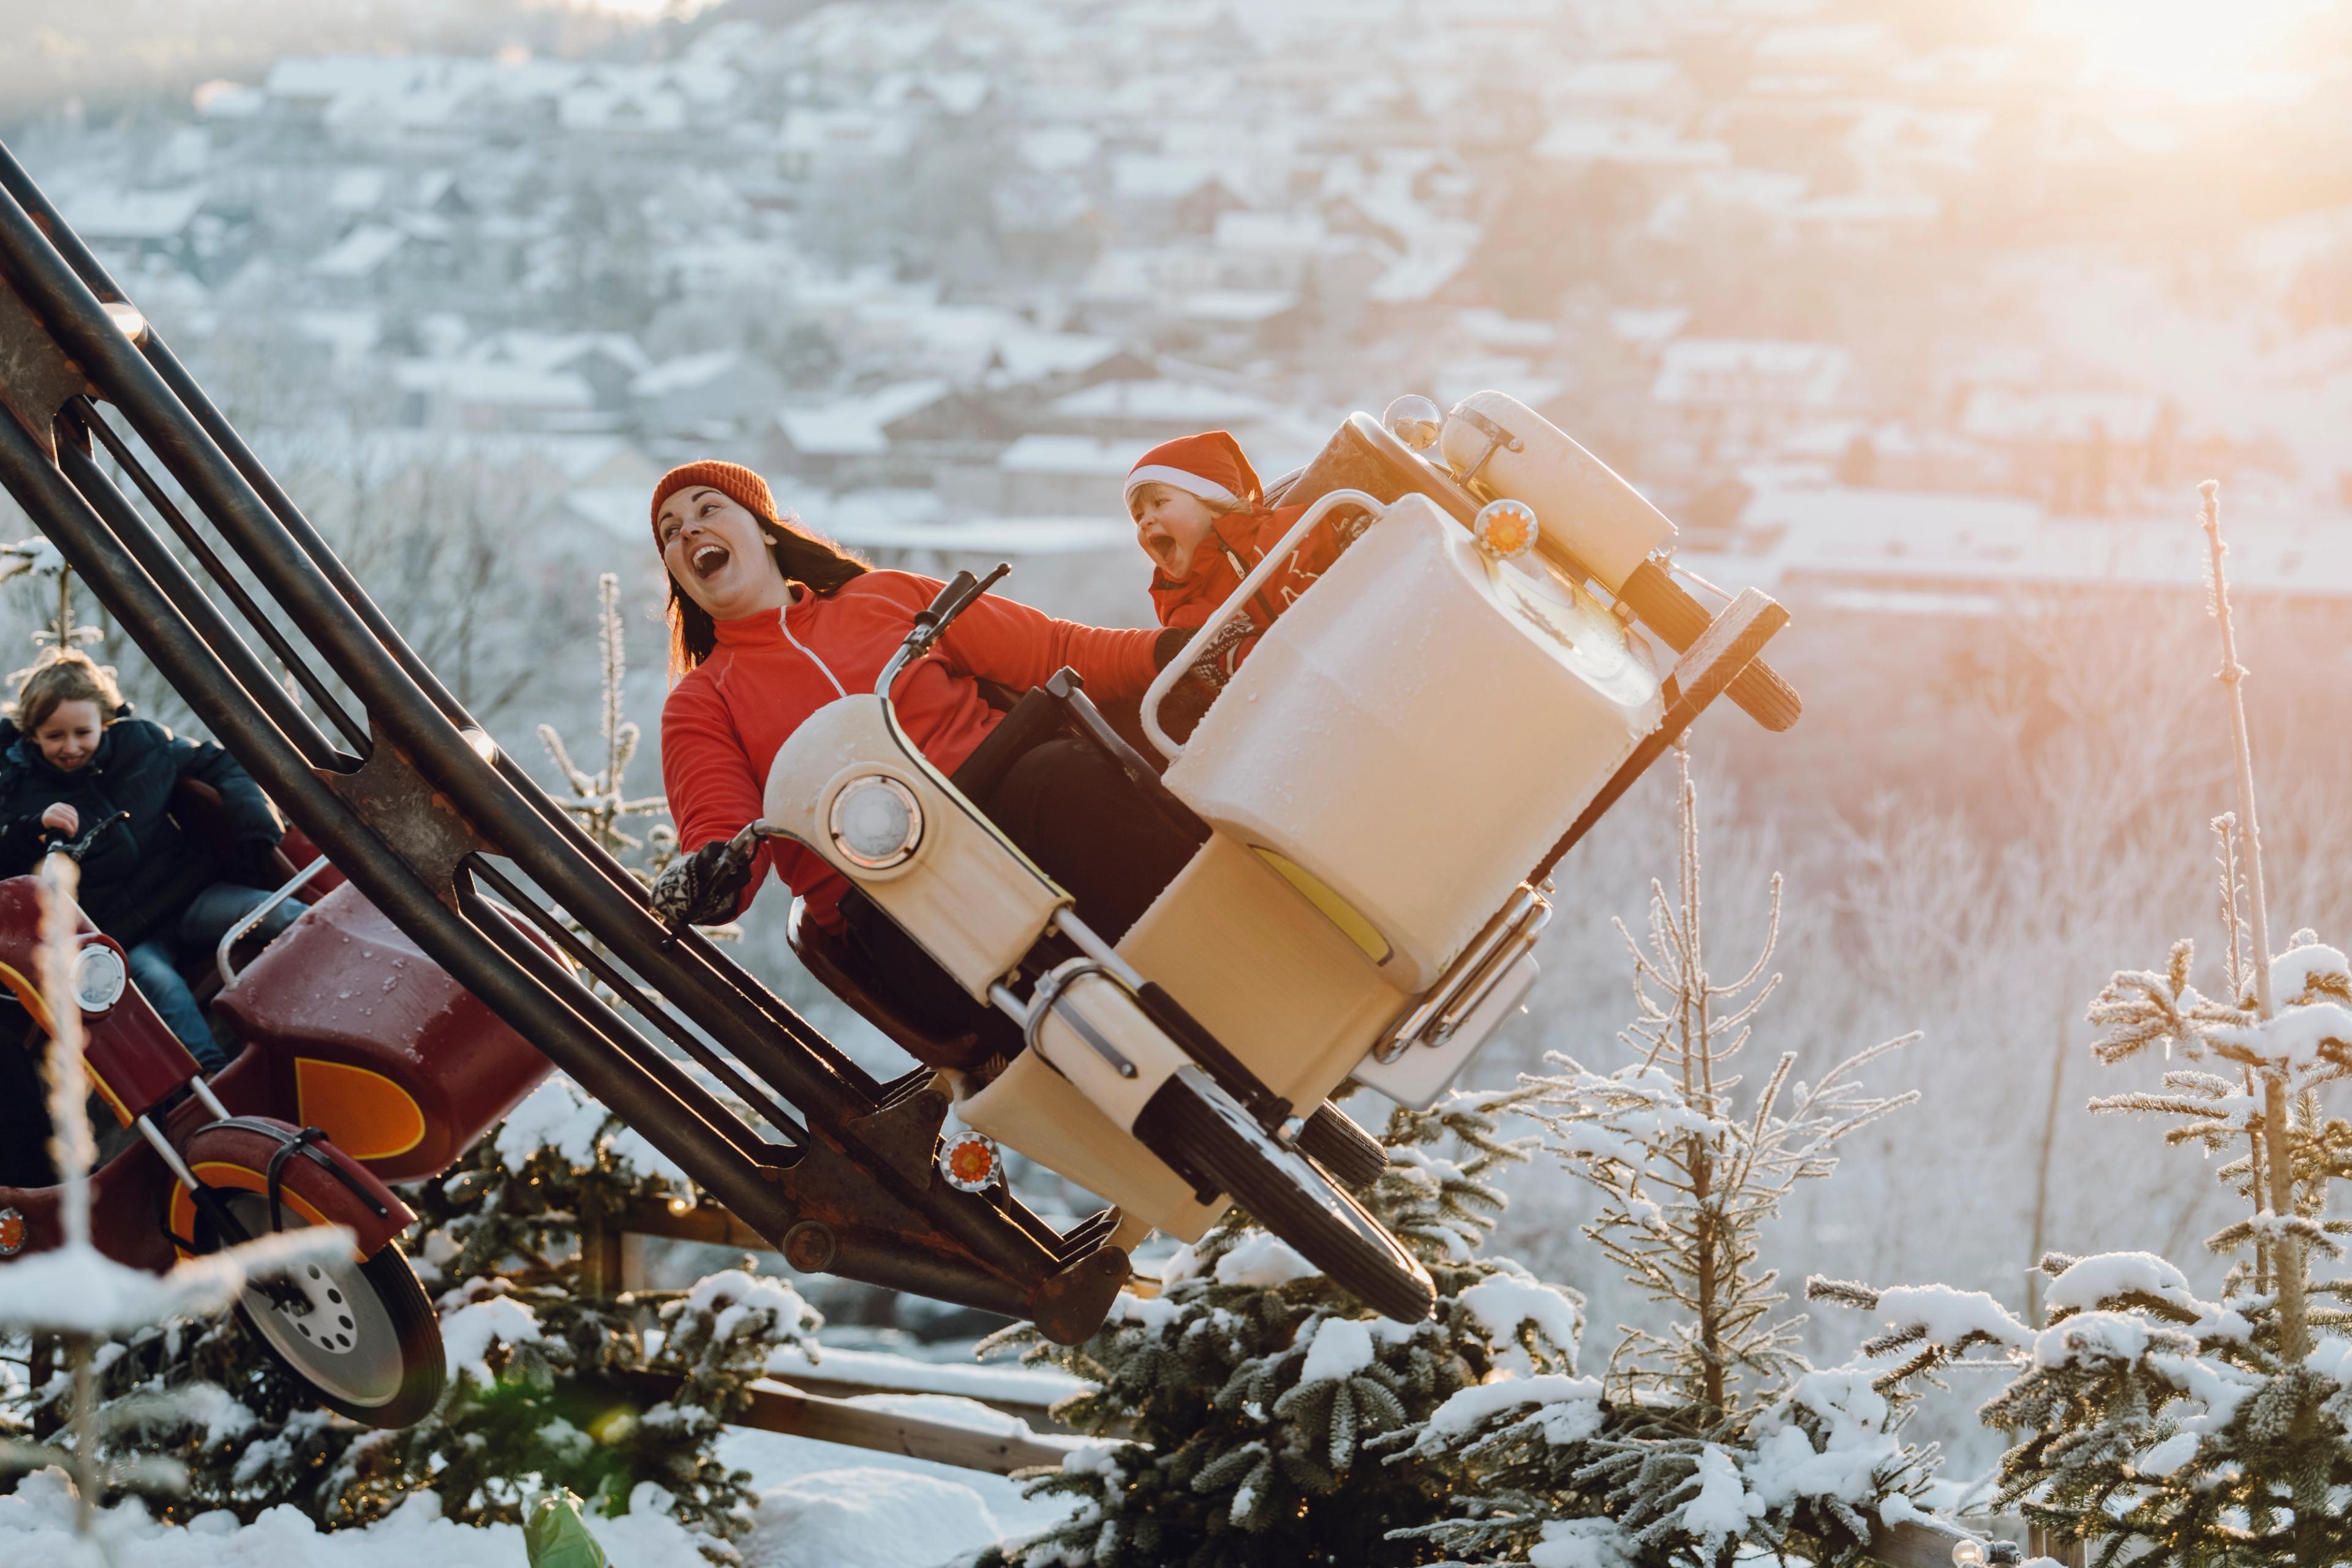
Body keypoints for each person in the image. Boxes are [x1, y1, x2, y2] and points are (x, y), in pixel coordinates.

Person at [647, 461, 1200, 1066]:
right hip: (893, 903)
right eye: (671, 532)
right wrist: (707, 875)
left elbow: (1052, 649)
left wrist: (1171, 653)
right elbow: (719, 822)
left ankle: (1210, 947)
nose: (689, 533)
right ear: (678, 573)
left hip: (1009, 808)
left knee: (1065, 778)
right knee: (967, 942)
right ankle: (1122, 1080)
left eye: (707, 510)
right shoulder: (704, 701)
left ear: (765, 529)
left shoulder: (883, 598)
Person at [0, 651, 301, 1072]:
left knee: (279, 912)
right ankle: (215, 1081)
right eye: (54, 737)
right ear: (32, 735)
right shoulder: (16, 790)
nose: (71, 748)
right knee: (161, 989)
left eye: (82, 732)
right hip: (126, 934)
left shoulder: (140, 745)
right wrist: (31, 827)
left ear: (105, 721)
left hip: (188, 896)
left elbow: (220, 762)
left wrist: (255, 828)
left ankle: (341, 979)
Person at [1128, 431, 1363, 726]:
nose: (1146, 521)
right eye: (1138, 517)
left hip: (1363, 640)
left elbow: (1348, 547)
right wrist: (1231, 656)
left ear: (1213, 502)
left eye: (1159, 503)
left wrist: (1359, 535)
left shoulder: (1292, 527)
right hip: (1305, 705)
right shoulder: (1186, 610)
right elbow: (1246, 670)